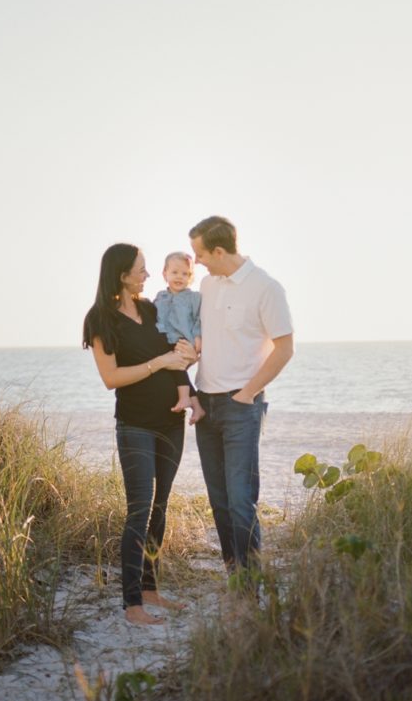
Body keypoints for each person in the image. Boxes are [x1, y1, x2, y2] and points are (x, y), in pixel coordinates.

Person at [82, 243, 197, 626]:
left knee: (161, 507)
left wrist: (188, 379)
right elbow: (111, 378)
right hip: (134, 424)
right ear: (121, 274)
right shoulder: (100, 320)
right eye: (141, 269)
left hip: (170, 421)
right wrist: (159, 363)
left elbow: (176, 352)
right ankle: (132, 604)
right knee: (139, 509)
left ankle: (150, 589)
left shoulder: (152, 309)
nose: (147, 275)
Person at [188, 216, 294, 583]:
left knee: (240, 501)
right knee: (219, 501)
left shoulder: (266, 288)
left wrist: (247, 393)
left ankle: (249, 587)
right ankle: (233, 574)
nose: (196, 261)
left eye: (200, 253)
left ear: (219, 250)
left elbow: (284, 348)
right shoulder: (206, 284)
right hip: (205, 405)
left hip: (240, 407)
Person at [153, 251, 205, 424]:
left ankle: (184, 398)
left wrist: (198, 336)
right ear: (164, 273)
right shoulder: (160, 297)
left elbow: (200, 318)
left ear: (190, 277)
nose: (179, 277)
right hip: (163, 341)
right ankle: (197, 407)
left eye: (185, 274)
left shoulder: (193, 298)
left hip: (182, 341)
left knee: (177, 369)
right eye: (175, 272)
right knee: (176, 372)